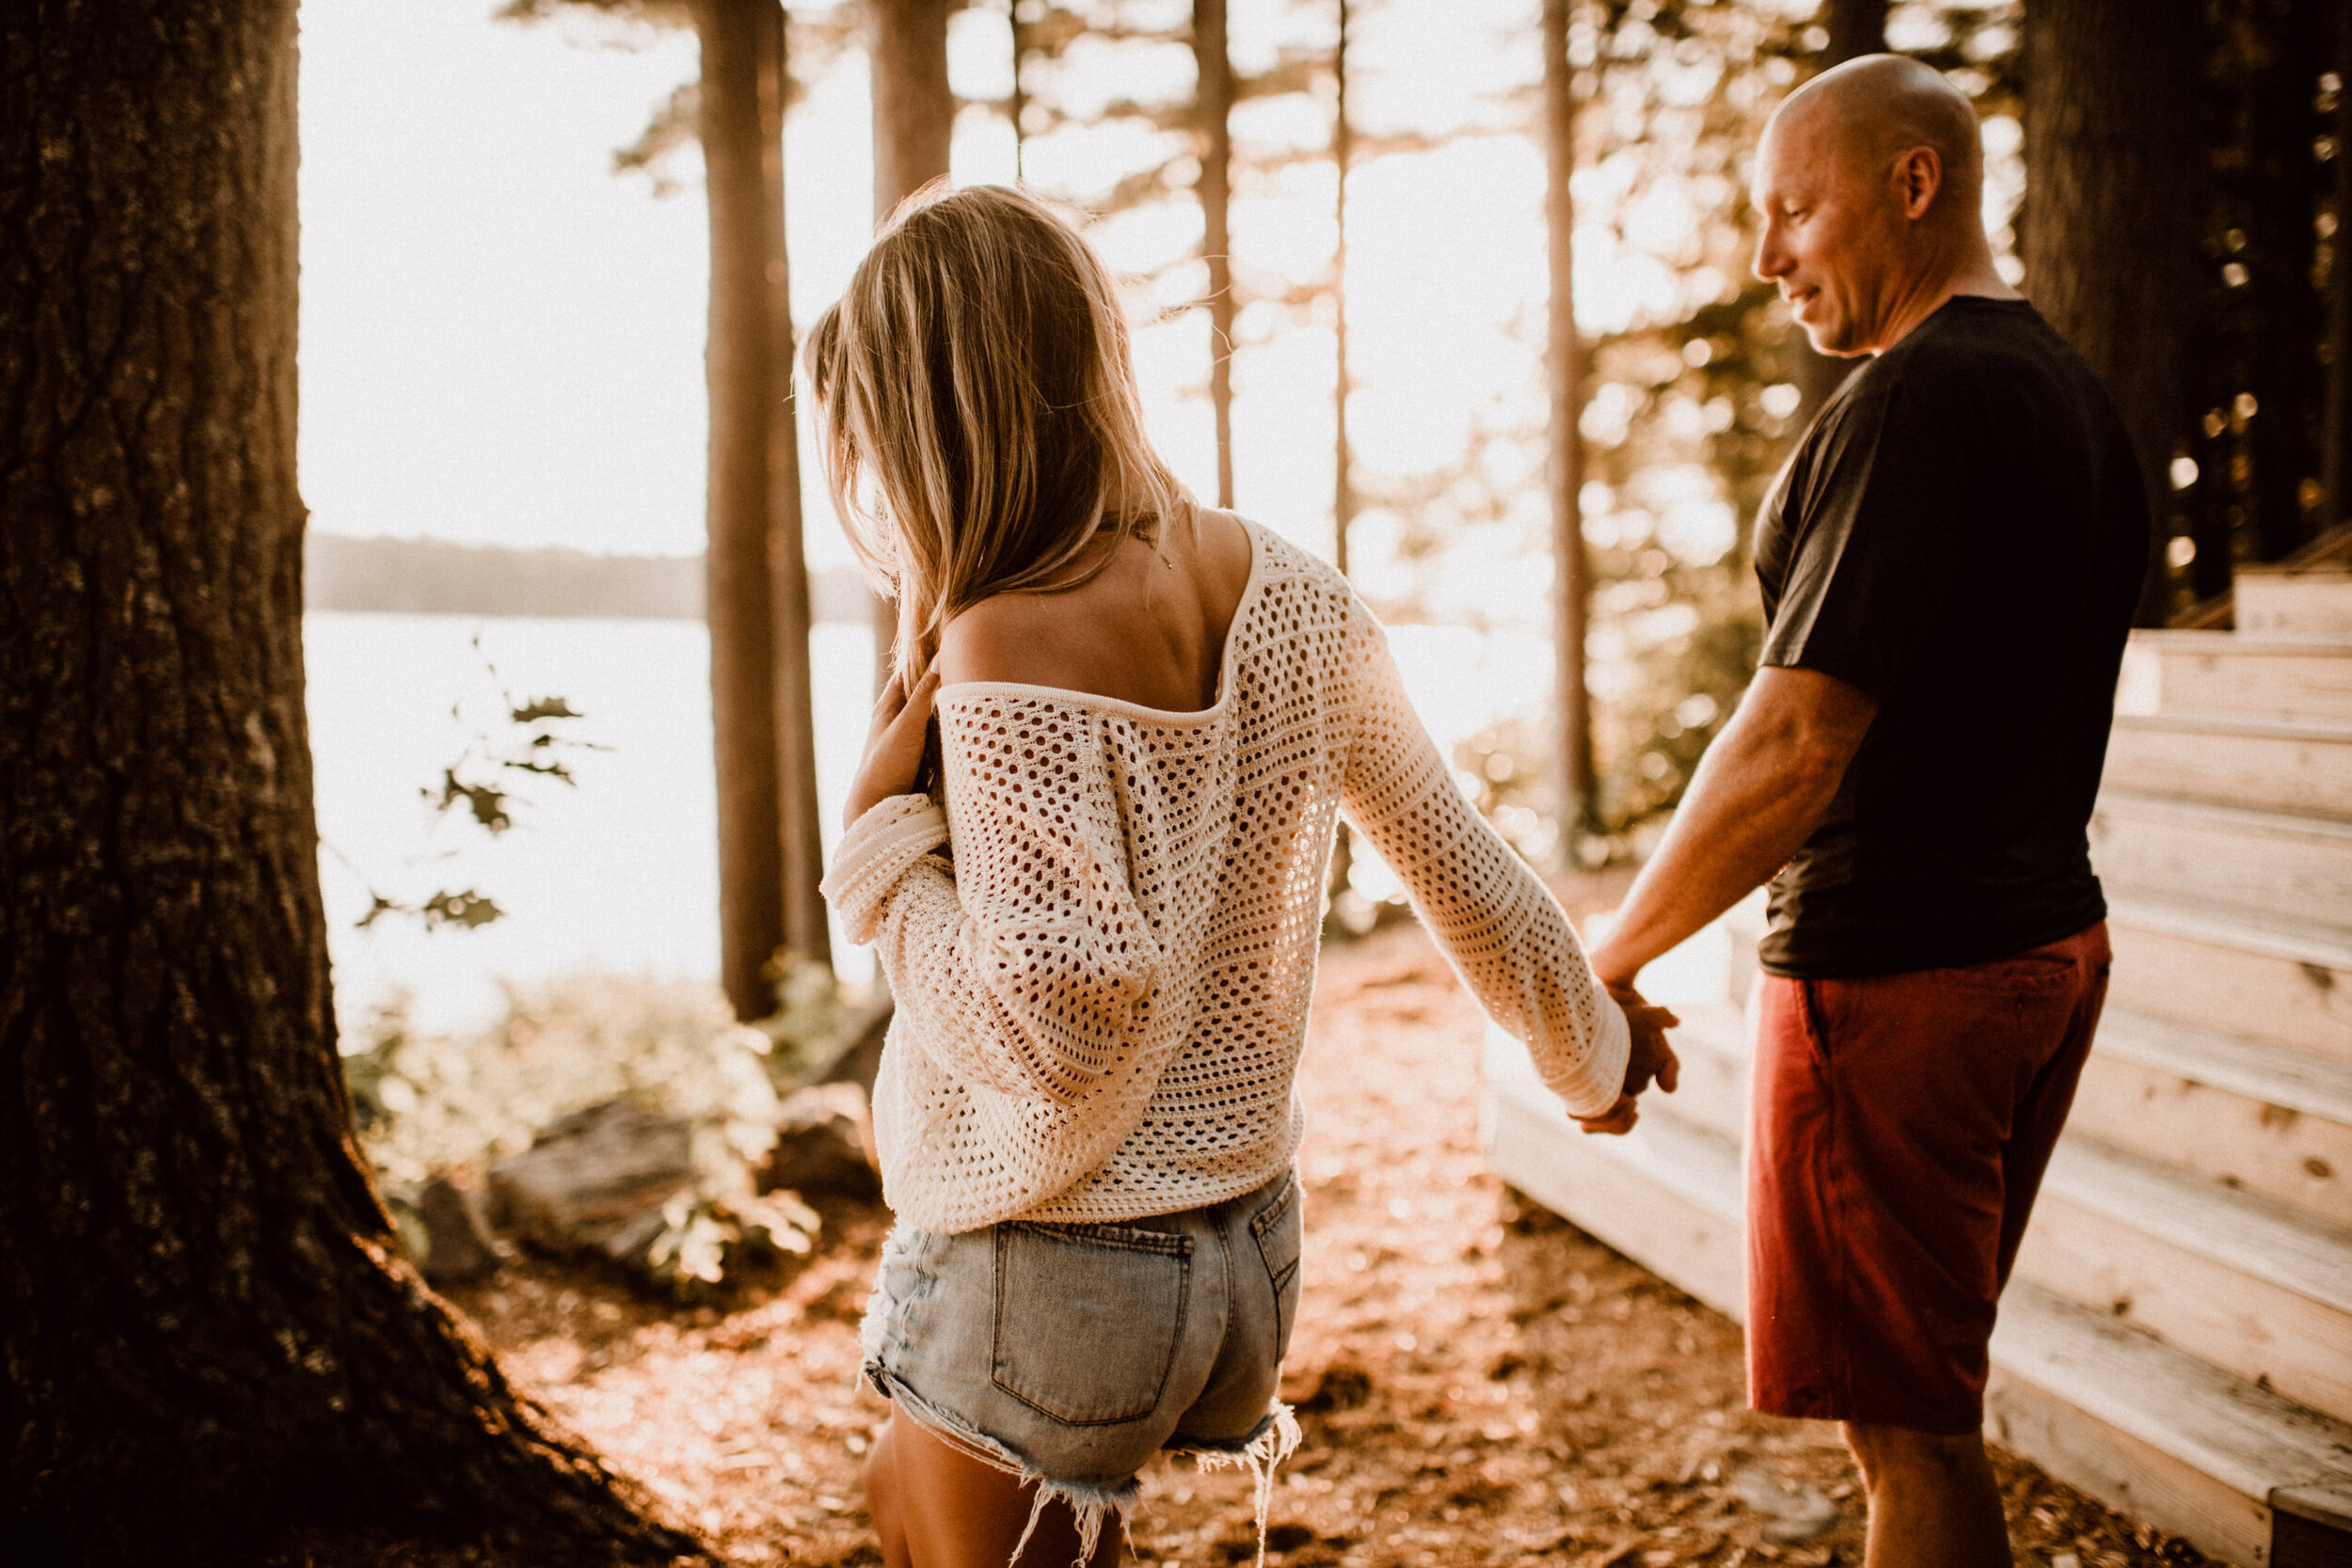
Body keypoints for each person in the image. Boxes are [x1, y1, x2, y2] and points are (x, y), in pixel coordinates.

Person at [805, 183, 1678, 1568]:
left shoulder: (1002, 639)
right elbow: (1468, 872)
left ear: (937, 418)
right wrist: (1599, 1053)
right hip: (1244, 1260)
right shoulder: (1297, 592)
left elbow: (1058, 1028)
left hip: (1055, 1272)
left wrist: (878, 853)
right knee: (885, 1497)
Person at [1583, 55, 2149, 1568]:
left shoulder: (1916, 401)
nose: (1768, 256)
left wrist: (1607, 956)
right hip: (2045, 953)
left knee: (1908, 1444)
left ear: (1915, 184)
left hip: (1902, 988)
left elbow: (1793, 741)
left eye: (1793, 210)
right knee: (1926, 1414)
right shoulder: (2074, 399)